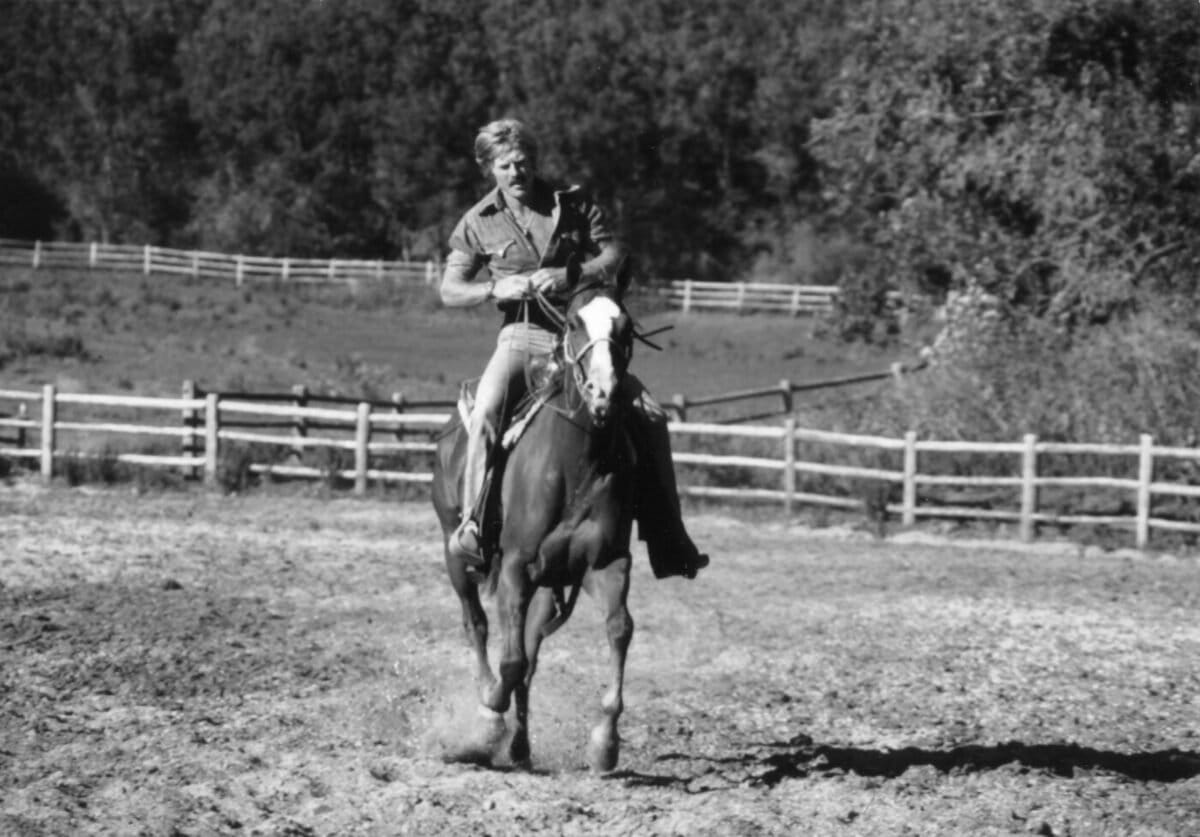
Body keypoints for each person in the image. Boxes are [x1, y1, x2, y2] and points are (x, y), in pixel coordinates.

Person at [440, 118, 708, 580]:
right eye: (505, 166)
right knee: (484, 411)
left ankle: (669, 538)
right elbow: (449, 288)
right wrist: (495, 288)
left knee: (651, 416)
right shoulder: (476, 222)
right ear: (489, 168)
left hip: (585, 337)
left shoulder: (575, 205)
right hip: (523, 338)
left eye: (523, 163)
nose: (516, 173)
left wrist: (573, 276)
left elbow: (613, 256)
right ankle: (475, 526)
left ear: (534, 161)